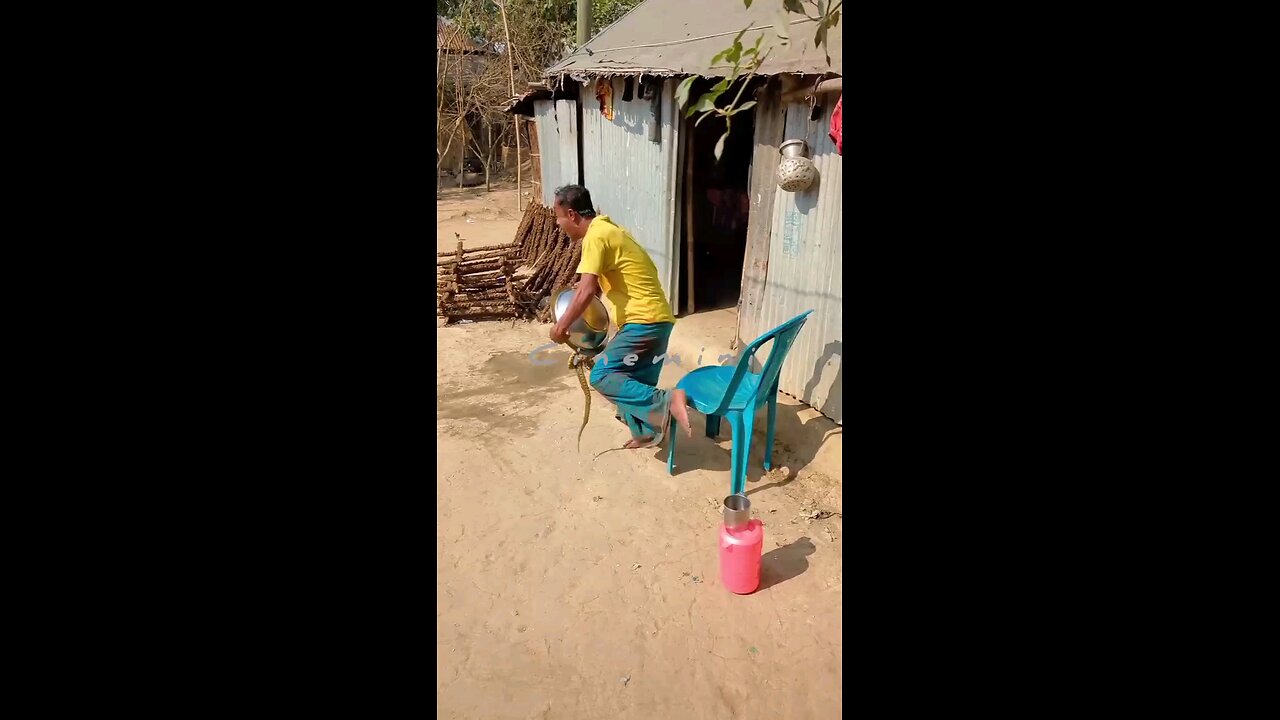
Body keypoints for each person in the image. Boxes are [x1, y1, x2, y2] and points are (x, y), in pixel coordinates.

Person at [549, 184, 691, 449]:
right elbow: (598, 293)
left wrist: (562, 326)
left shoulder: (596, 236)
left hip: (644, 322)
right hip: (658, 321)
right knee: (632, 383)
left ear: (571, 215)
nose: (558, 225)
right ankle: (646, 432)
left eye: (558, 218)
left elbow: (586, 290)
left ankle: (669, 401)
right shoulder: (610, 231)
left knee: (602, 376)